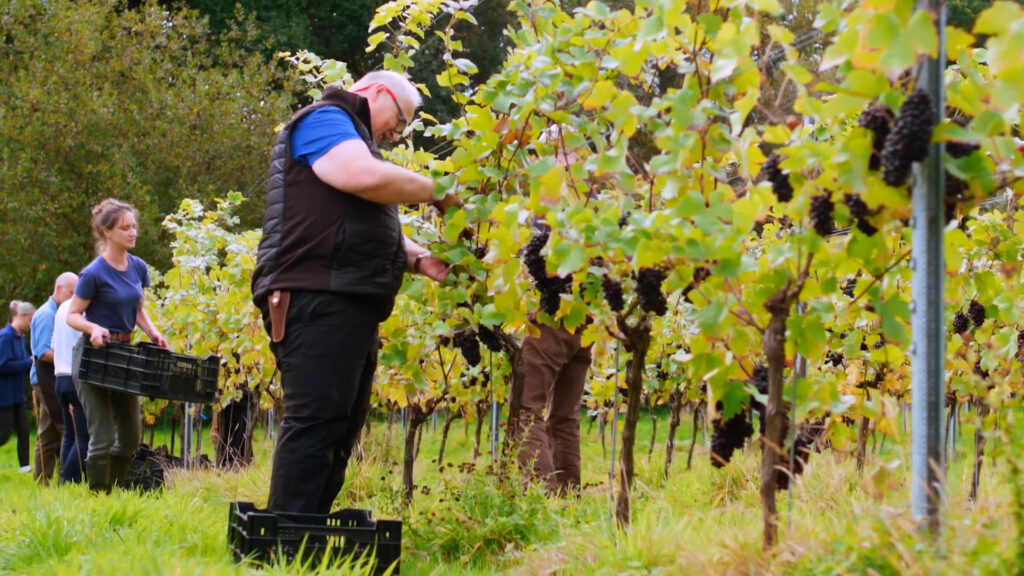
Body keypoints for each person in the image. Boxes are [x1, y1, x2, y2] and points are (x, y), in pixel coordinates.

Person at [251, 70, 458, 514]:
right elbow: (359, 177)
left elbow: (349, 223)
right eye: (399, 121)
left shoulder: (355, 140)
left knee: (341, 425)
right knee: (317, 420)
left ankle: (308, 532)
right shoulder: (326, 119)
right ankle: (288, 538)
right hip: (315, 293)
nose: (396, 134)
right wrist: (440, 191)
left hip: (347, 298)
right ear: (379, 92)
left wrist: (419, 259)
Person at [67, 198, 168, 492]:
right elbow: (73, 315)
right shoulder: (93, 273)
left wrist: (153, 333)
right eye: (125, 228)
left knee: (130, 436)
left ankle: (113, 489)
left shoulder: (138, 267)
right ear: (107, 232)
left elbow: (137, 309)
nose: (132, 232)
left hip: (124, 356)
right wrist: (94, 328)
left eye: (134, 226)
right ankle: (100, 498)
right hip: (93, 355)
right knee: (101, 434)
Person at [29, 272, 78, 485]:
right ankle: (59, 480)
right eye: (71, 292)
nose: (74, 297)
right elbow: (42, 352)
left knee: (48, 435)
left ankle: (42, 482)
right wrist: (69, 358)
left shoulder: (55, 312)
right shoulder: (46, 315)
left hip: (49, 379)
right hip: (45, 381)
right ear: (59, 289)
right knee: (63, 430)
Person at [53, 286, 89, 483]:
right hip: (76, 378)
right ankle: (69, 480)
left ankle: (63, 482)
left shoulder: (61, 309)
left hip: (60, 378)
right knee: (84, 436)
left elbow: (52, 345)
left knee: (69, 435)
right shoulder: (81, 311)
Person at [0, 301, 35, 473]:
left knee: (23, 430)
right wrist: (28, 362)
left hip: (17, 393)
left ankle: (24, 466)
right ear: (19, 316)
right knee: (3, 435)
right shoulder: (5, 337)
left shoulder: (20, 337)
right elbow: (3, 365)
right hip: (4, 393)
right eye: (29, 320)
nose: (30, 325)